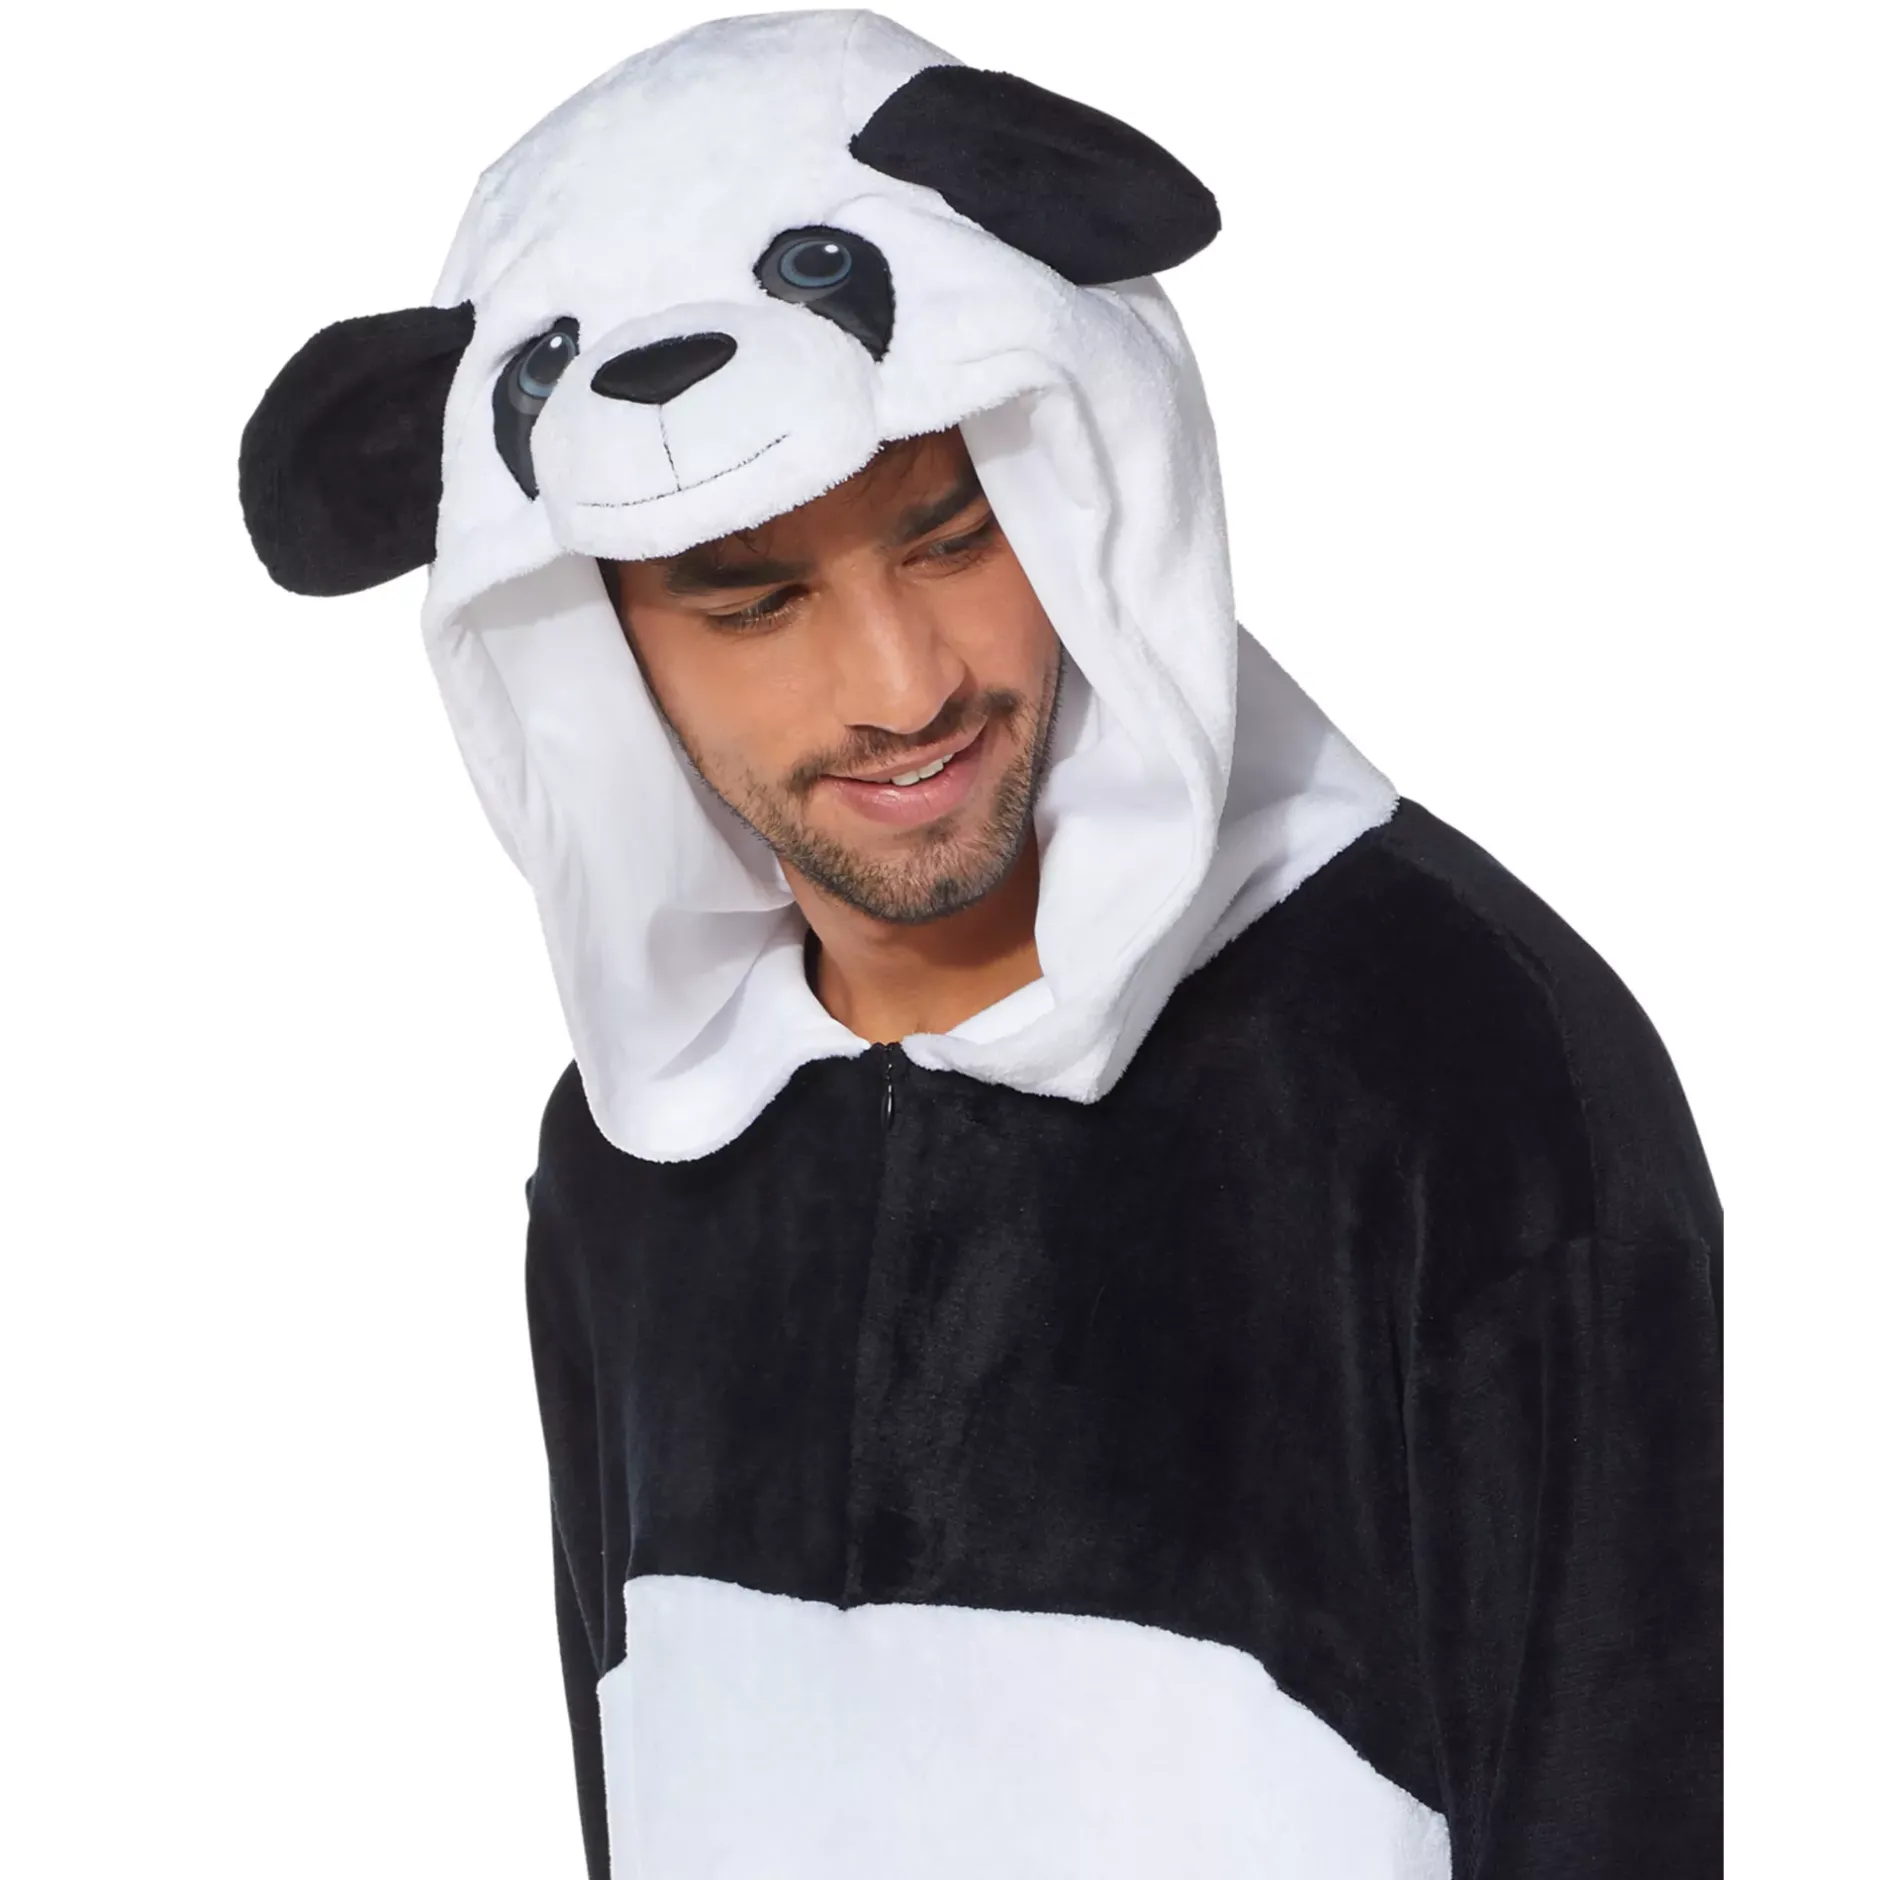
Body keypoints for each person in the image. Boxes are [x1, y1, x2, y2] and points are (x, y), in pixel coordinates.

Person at [238, 11, 1722, 1878]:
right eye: (756, 603)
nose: (902, 687)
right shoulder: (629, 1163)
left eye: (954, 539)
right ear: (595, 643)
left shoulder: (1457, 1074)